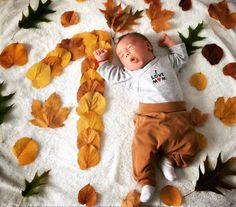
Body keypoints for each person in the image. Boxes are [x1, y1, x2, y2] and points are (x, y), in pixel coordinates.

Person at [93, 32, 200, 203]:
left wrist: (170, 43)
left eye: (129, 48)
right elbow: (113, 76)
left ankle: (170, 160)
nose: (126, 54)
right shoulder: (129, 74)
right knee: (140, 148)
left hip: (177, 115)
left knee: (190, 142)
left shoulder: (166, 61)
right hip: (148, 119)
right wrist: (103, 62)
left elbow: (181, 57)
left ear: (148, 46)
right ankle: (146, 181)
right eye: (121, 55)